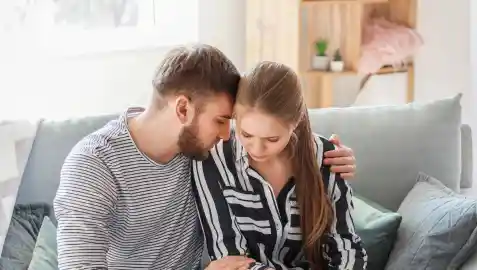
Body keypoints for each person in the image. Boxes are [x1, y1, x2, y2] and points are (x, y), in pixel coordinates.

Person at [53, 44, 357, 269]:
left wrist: (325, 155)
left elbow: (275, 123)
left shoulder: (202, 153)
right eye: (221, 121)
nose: (229, 137)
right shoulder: (94, 166)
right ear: (183, 109)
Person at [192, 61, 367, 270]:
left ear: (295, 123)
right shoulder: (214, 160)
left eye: (272, 139)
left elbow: (346, 248)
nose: (256, 148)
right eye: (246, 134)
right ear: (234, 117)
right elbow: (230, 260)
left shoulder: (326, 157)